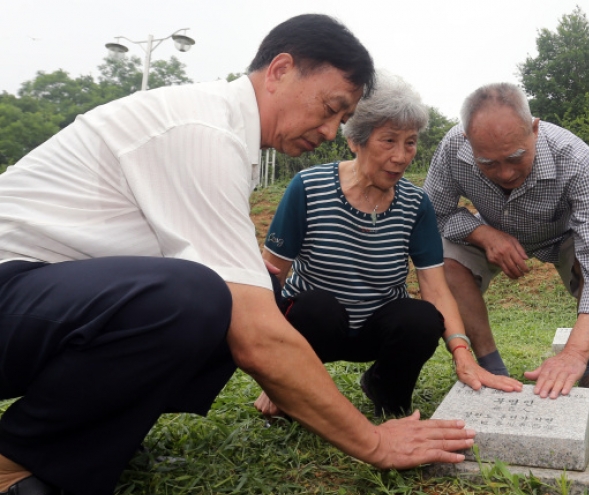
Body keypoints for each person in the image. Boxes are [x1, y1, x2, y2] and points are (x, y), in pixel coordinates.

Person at [0, 15, 478, 495]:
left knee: (251, 286)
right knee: (201, 295)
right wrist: (374, 442)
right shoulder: (203, 131)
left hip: (46, 297)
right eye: (331, 108)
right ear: (280, 70)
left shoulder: (226, 134)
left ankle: (93, 440)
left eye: (342, 118)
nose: (332, 131)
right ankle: (13, 461)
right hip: (12, 288)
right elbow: (256, 335)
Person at [255, 73, 523, 420]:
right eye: (388, 141)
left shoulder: (415, 204)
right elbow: (269, 276)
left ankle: (384, 387)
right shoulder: (308, 187)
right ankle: (295, 388)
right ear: (355, 141)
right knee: (314, 307)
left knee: (423, 318)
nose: (401, 156)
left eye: (410, 143)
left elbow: (436, 288)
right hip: (316, 327)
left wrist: (462, 353)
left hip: (375, 326)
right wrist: (273, 373)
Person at [422, 83, 589, 414]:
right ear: (467, 142)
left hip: (562, 232)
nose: (505, 173)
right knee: (445, 262)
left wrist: (573, 352)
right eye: (488, 162)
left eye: (516, 157)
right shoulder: (451, 149)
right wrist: (482, 234)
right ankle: (491, 368)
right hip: (488, 227)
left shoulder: (576, 158)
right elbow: (433, 215)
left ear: (534, 128)